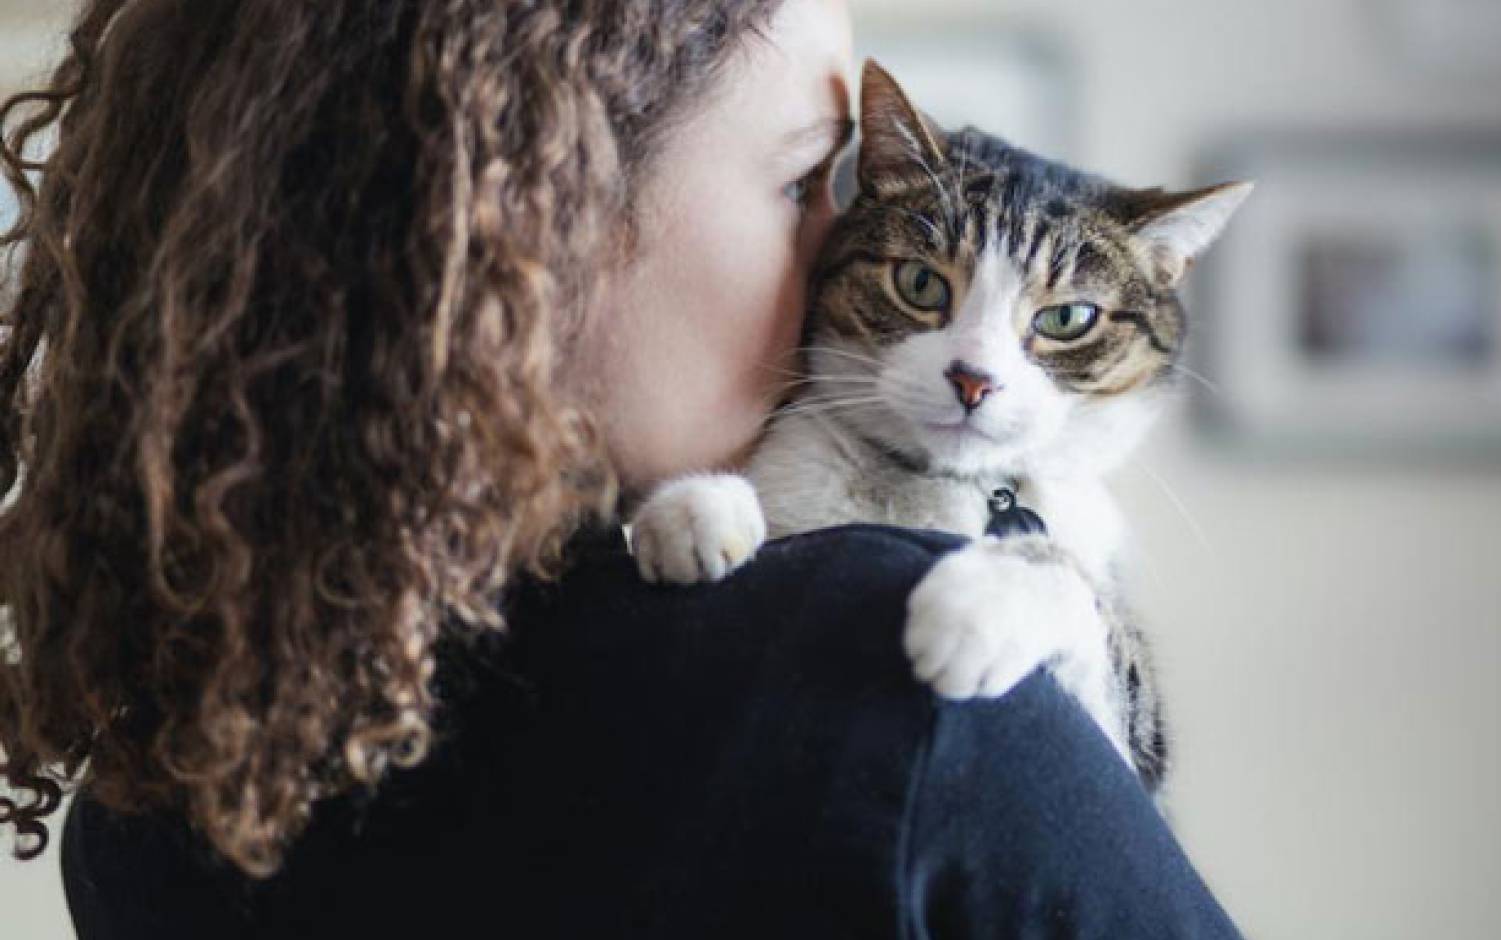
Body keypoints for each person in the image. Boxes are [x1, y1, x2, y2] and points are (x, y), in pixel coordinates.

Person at [0, 0, 1244, 936]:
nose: (843, 243)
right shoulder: (912, 691)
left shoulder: (155, 784)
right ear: (537, 223)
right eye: (811, 180)